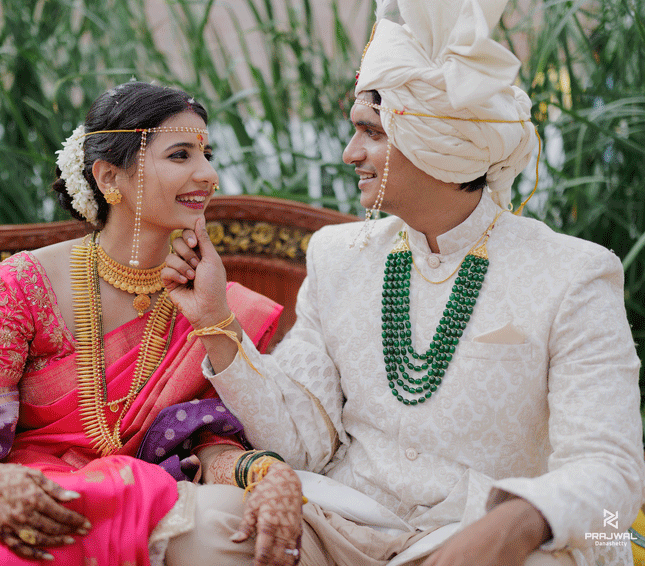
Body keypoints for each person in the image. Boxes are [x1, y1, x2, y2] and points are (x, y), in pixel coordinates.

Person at [162, 1, 645, 565]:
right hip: (343, 524)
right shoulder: (339, 256)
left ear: (434, 139)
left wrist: (517, 521)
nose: (351, 154)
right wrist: (214, 321)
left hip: (476, 539)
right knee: (202, 528)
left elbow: (610, 467)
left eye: (370, 133)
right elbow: (302, 443)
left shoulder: (572, 273)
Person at [0, 81, 306, 566]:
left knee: (228, 521)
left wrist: (265, 474)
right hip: (33, 494)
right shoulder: (23, 283)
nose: (209, 174)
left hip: (149, 494)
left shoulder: (206, 296)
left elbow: (207, 441)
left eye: (207, 154)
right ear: (110, 176)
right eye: (181, 155)